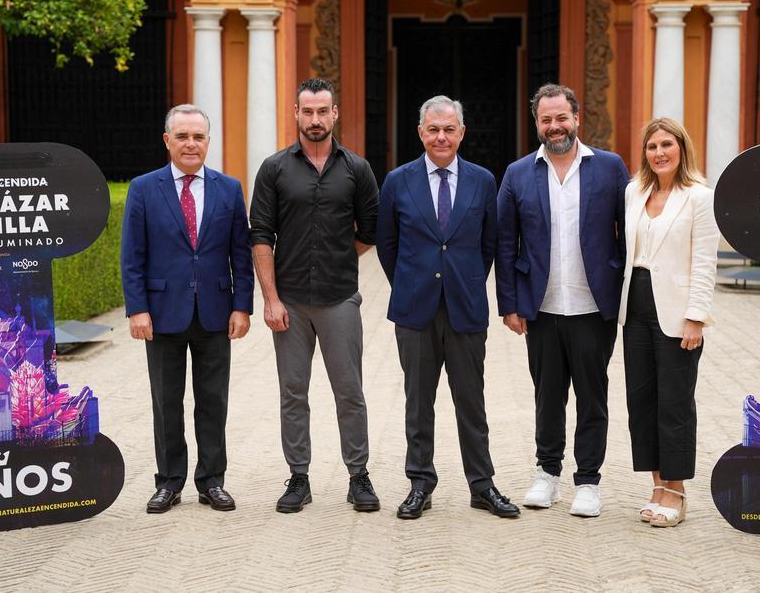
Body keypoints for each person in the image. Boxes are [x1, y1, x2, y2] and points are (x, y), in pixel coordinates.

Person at [376, 95, 519, 519]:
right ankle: (420, 483)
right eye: (433, 129)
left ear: (461, 133)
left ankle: (481, 484)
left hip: (465, 308)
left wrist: (469, 280)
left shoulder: (482, 180)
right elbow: (387, 245)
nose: (441, 136)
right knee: (418, 402)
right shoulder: (398, 181)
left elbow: (490, 243)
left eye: (449, 129)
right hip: (415, 310)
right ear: (421, 133)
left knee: (471, 401)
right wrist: (411, 281)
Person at [495, 83, 629, 517]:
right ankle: (546, 474)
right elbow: (504, 242)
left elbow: (627, 235)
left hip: (594, 306)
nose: (555, 127)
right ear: (537, 124)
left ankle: (588, 481)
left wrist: (625, 294)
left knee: (593, 395)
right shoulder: (518, 173)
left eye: (561, 118)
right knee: (547, 395)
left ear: (576, 118)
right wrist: (509, 303)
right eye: (546, 120)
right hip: (542, 306)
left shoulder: (609, 168)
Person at [249, 78, 382, 514]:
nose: (315, 119)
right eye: (308, 111)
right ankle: (299, 478)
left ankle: (358, 476)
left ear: (335, 113)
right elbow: (261, 236)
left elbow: (369, 232)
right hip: (288, 300)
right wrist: (270, 298)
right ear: (297, 113)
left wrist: (339, 258)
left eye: (323, 111)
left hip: (340, 297)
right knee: (293, 391)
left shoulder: (357, 169)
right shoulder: (274, 168)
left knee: (350, 391)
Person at [120, 104, 254, 514]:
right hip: (161, 315)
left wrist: (242, 307)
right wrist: (137, 309)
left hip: (215, 312)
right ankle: (169, 481)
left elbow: (241, 255)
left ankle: (212, 481)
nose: (191, 144)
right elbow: (132, 255)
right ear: (168, 141)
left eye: (198, 136)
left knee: (213, 402)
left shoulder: (229, 188)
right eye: (182, 136)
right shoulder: (144, 188)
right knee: (166, 402)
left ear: (208, 142)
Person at [618, 117, 719, 528]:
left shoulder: (699, 197)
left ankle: (676, 491)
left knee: (674, 402)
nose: (659, 153)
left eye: (666, 145)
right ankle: (656, 485)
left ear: (682, 148)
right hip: (635, 305)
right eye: (651, 146)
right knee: (641, 402)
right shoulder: (634, 191)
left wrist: (696, 317)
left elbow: (705, 261)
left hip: (677, 311)